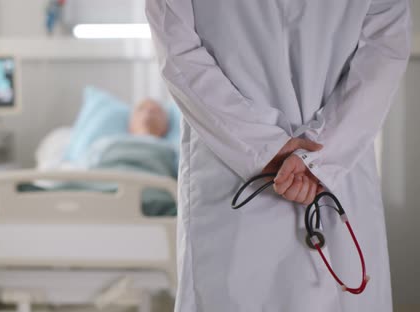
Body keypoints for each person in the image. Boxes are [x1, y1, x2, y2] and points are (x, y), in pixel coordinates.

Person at [146, 0, 411, 311]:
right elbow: (382, 56)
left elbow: (178, 54)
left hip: (240, 175)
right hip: (306, 175)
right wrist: (316, 157)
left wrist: (269, 150)